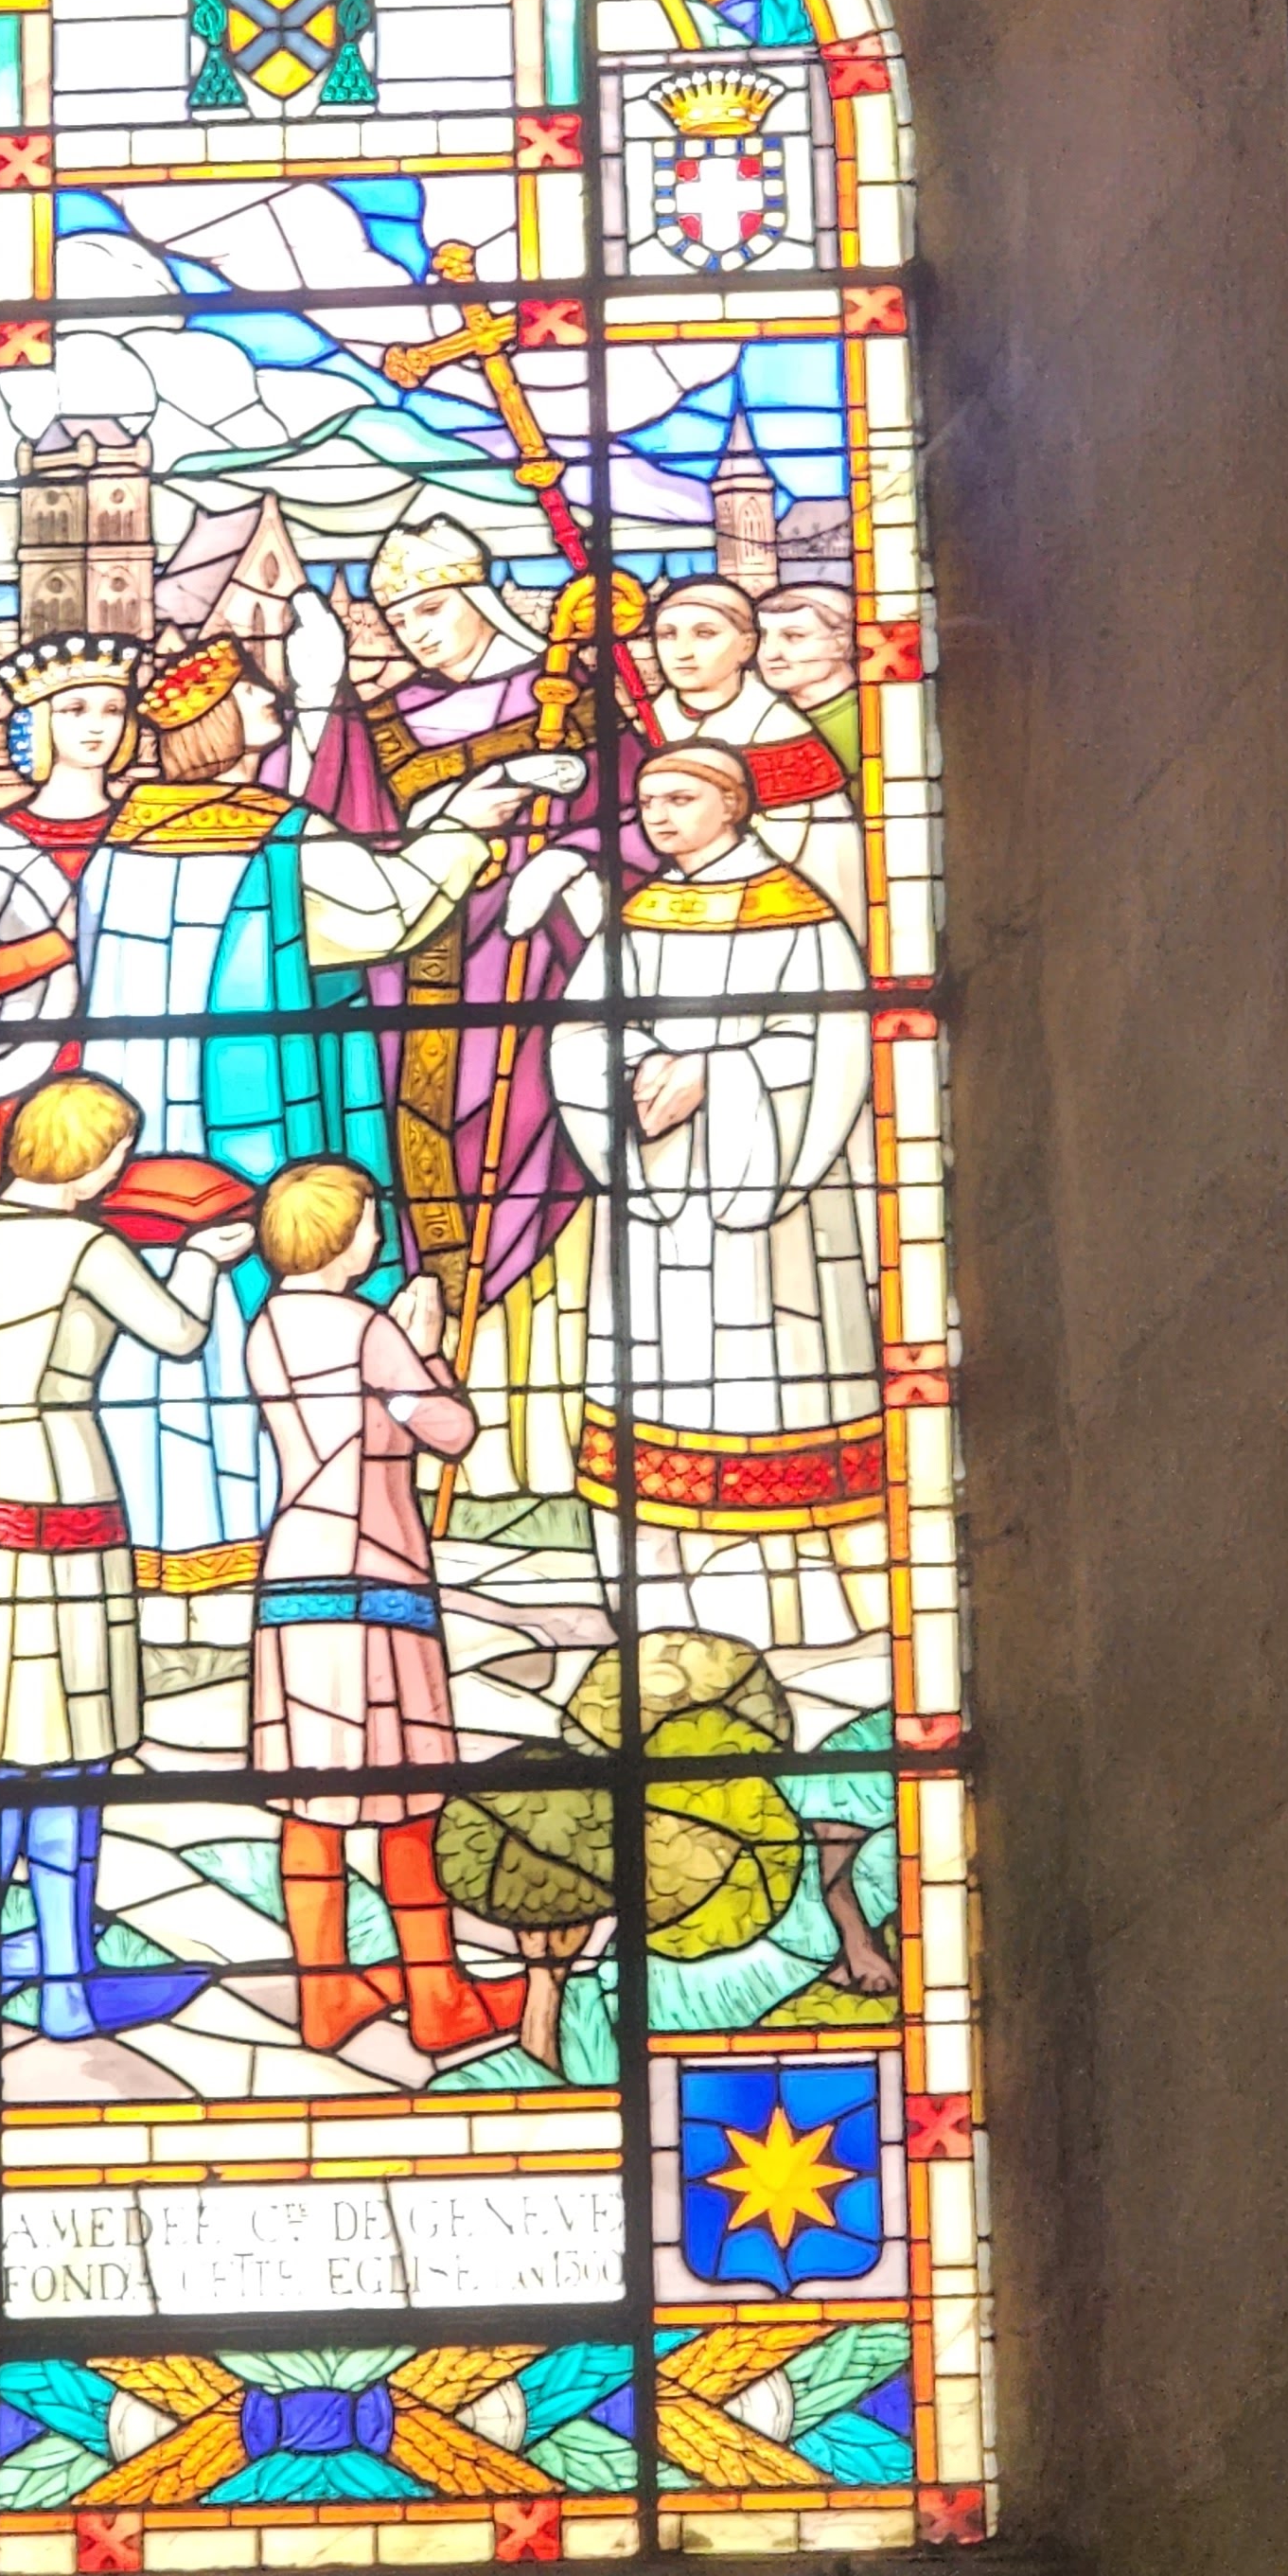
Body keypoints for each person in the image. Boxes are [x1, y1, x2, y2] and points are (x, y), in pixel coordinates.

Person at [70, 634, 540, 1661]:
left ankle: (166, 1563)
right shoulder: (277, 834)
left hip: (144, 1139)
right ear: (220, 724)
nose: (276, 710)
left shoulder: (120, 841)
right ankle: (264, 1561)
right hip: (253, 1125)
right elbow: (387, 912)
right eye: (260, 699)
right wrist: (466, 825)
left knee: (167, 1333)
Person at [546, 739, 896, 1993]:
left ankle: (791, 1617)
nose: (657, 815)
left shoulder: (798, 916)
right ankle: (673, 1613)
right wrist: (631, 1081)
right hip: (657, 1212)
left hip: (772, 1222)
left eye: (680, 798)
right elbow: (575, 1044)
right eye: (647, 800)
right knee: (658, 1389)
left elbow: (828, 1055)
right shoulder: (639, 917)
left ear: (734, 805)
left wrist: (721, 1080)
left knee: (778, 1383)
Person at [0, 1075, 252, 2037]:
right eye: (118, 1150)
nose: (120, 1167)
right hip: (62, 1478)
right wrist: (201, 1259)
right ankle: (68, 1987)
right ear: (92, 1154)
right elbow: (180, 1335)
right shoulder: (87, 1245)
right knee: (70, 1746)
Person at [308, 511, 612, 1551]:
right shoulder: (376, 722)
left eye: (433, 609)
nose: (418, 632)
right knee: (428, 1204)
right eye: (402, 618)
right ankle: (466, 1465)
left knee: (545, 1195)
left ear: (479, 595)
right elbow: (329, 843)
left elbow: (649, 816)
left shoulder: (567, 697)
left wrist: (573, 857)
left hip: (543, 985)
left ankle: (549, 1455)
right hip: (411, 999)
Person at [245, 1160, 529, 2059]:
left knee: (310, 1799)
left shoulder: (268, 1323)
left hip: (293, 1575)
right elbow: (451, 1431)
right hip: (376, 1574)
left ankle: (324, 1994)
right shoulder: (369, 1329)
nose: (378, 1234)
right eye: (371, 1220)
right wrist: (427, 1346)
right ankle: (439, 2000)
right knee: (410, 1801)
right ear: (343, 1238)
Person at [0, 635, 139, 1203]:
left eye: (113, 709)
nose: (98, 726)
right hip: (19, 1069)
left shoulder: (145, 832)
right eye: (75, 709)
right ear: (38, 722)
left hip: (134, 1060)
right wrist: (55, 947)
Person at [645, 573, 864, 933]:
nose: (682, 652)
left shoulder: (781, 731)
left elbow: (804, 853)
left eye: (705, 633)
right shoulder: (647, 724)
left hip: (780, 915)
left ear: (747, 645)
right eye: (667, 634)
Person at [752, 578, 863, 780]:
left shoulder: (874, 716)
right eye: (763, 637)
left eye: (793, 636)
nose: (770, 653)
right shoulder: (758, 718)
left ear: (841, 643)